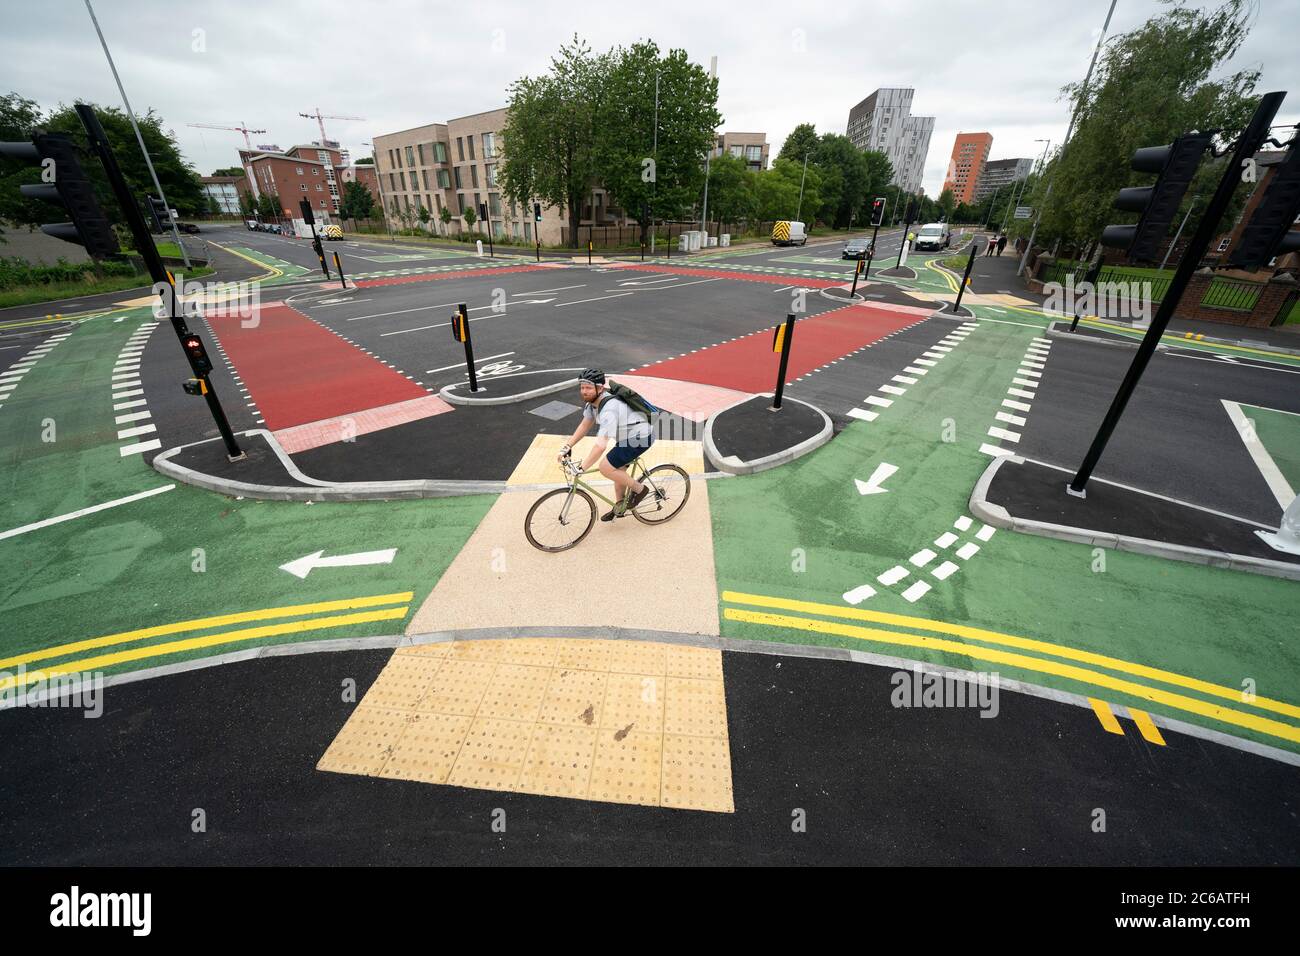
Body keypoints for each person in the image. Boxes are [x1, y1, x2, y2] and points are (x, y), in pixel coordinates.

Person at [557, 368, 653, 521]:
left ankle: (640, 489)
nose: (584, 391)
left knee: (606, 467)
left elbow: (601, 445)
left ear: (600, 388)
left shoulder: (609, 408)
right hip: (625, 439)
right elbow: (584, 426)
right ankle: (620, 506)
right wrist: (567, 447)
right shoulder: (592, 404)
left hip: (640, 437)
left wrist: (582, 468)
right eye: (582, 387)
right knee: (617, 470)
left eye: (588, 388)